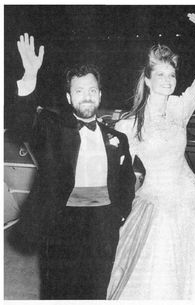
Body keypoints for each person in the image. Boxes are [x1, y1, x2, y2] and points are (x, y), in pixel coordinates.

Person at [11, 33, 136, 300]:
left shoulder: (118, 138)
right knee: (58, 292)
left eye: (92, 91)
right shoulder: (53, 129)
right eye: (79, 91)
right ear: (69, 98)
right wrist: (30, 76)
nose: (87, 97)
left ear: (100, 95)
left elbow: (126, 182)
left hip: (103, 224)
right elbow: (22, 125)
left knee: (96, 292)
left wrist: (118, 215)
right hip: (62, 223)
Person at [106, 13, 195, 300]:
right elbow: (113, 172)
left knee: (192, 283)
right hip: (156, 210)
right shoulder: (129, 124)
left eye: (172, 74)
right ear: (147, 79)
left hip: (191, 205)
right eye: (161, 74)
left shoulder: (179, 107)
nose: (168, 80)